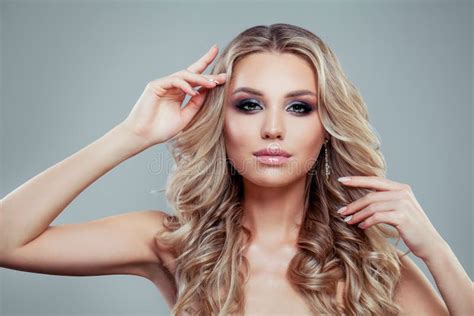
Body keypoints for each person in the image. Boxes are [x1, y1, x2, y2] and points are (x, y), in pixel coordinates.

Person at [0, 23, 472, 316]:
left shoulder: (370, 265)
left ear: (328, 127)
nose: (272, 129)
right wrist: (132, 134)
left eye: (299, 108)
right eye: (248, 105)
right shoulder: (173, 245)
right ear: (219, 122)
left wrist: (435, 251)